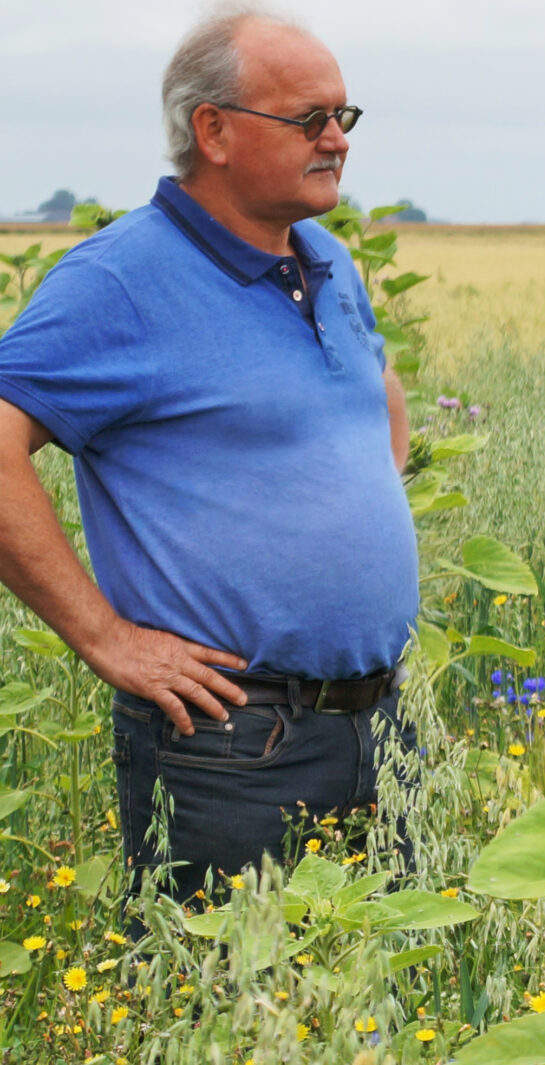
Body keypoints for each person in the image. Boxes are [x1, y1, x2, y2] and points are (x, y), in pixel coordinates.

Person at [0, 5, 420, 918]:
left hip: (379, 725)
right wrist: (109, 639)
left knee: (385, 1015)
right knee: (228, 1018)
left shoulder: (331, 262)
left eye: (343, 117)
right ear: (213, 129)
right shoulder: (118, 281)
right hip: (228, 746)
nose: (336, 140)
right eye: (307, 118)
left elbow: (377, 400)